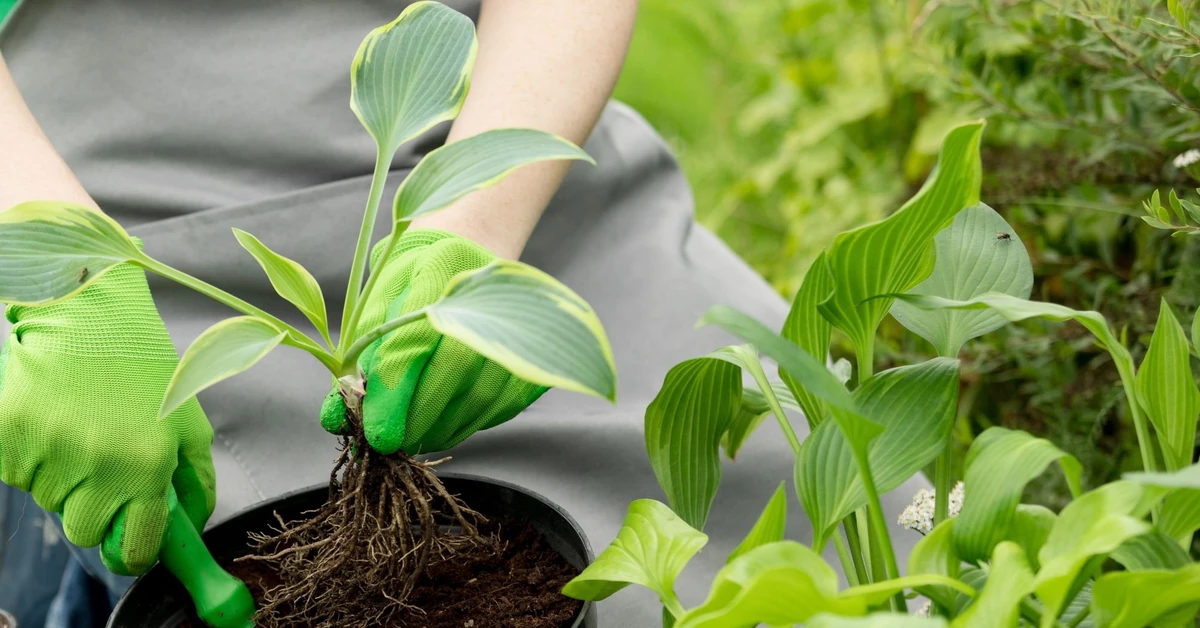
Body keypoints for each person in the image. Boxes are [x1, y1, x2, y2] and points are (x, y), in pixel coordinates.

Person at [0, 1, 932, 626]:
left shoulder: (494, 190)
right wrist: (62, 276)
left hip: (505, 152)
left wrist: (480, 230)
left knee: (857, 542)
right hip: (116, 223)